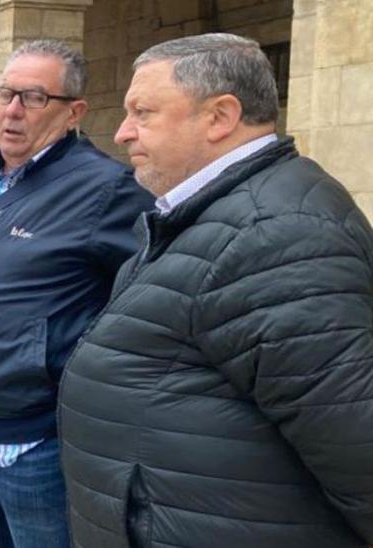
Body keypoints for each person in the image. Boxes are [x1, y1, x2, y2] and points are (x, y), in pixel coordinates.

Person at [60, 33, 373, 547]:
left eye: (143, 112)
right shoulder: (210, 214)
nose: (121, 133)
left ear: (220, 117)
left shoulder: (276, 234)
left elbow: (353, 442)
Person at [0, 39, 152, 548]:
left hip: (32, 442)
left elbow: (143, 303)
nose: (13, 111)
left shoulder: (107, 190)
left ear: (74, 113)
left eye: (34, 98)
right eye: (5, 94)